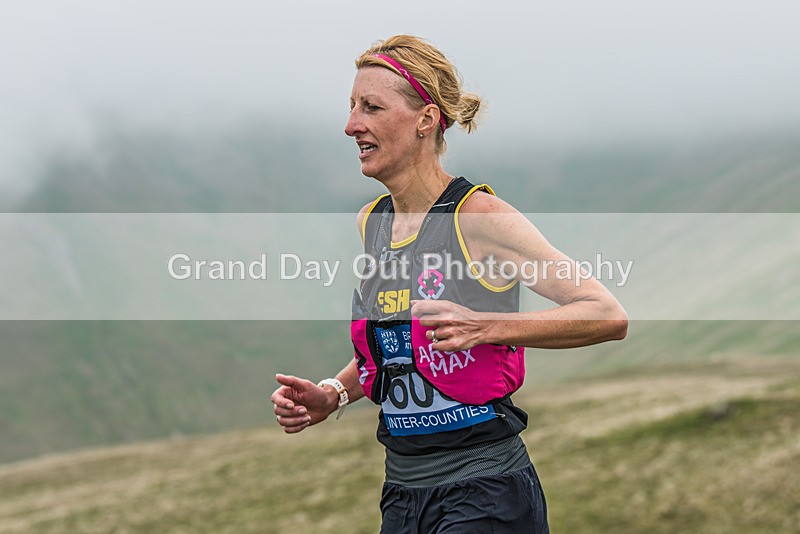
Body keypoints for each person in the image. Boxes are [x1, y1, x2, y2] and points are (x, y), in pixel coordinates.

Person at [271, 34, 628, 533]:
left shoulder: (479, 216)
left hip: (485, 492)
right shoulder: (372, 222)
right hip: (401, 494)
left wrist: (487, 326)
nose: (351, 124)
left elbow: (605, 313)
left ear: (425, 119)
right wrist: (333, 393)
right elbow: (401, 344)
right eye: (352, 107)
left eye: (371, 107)